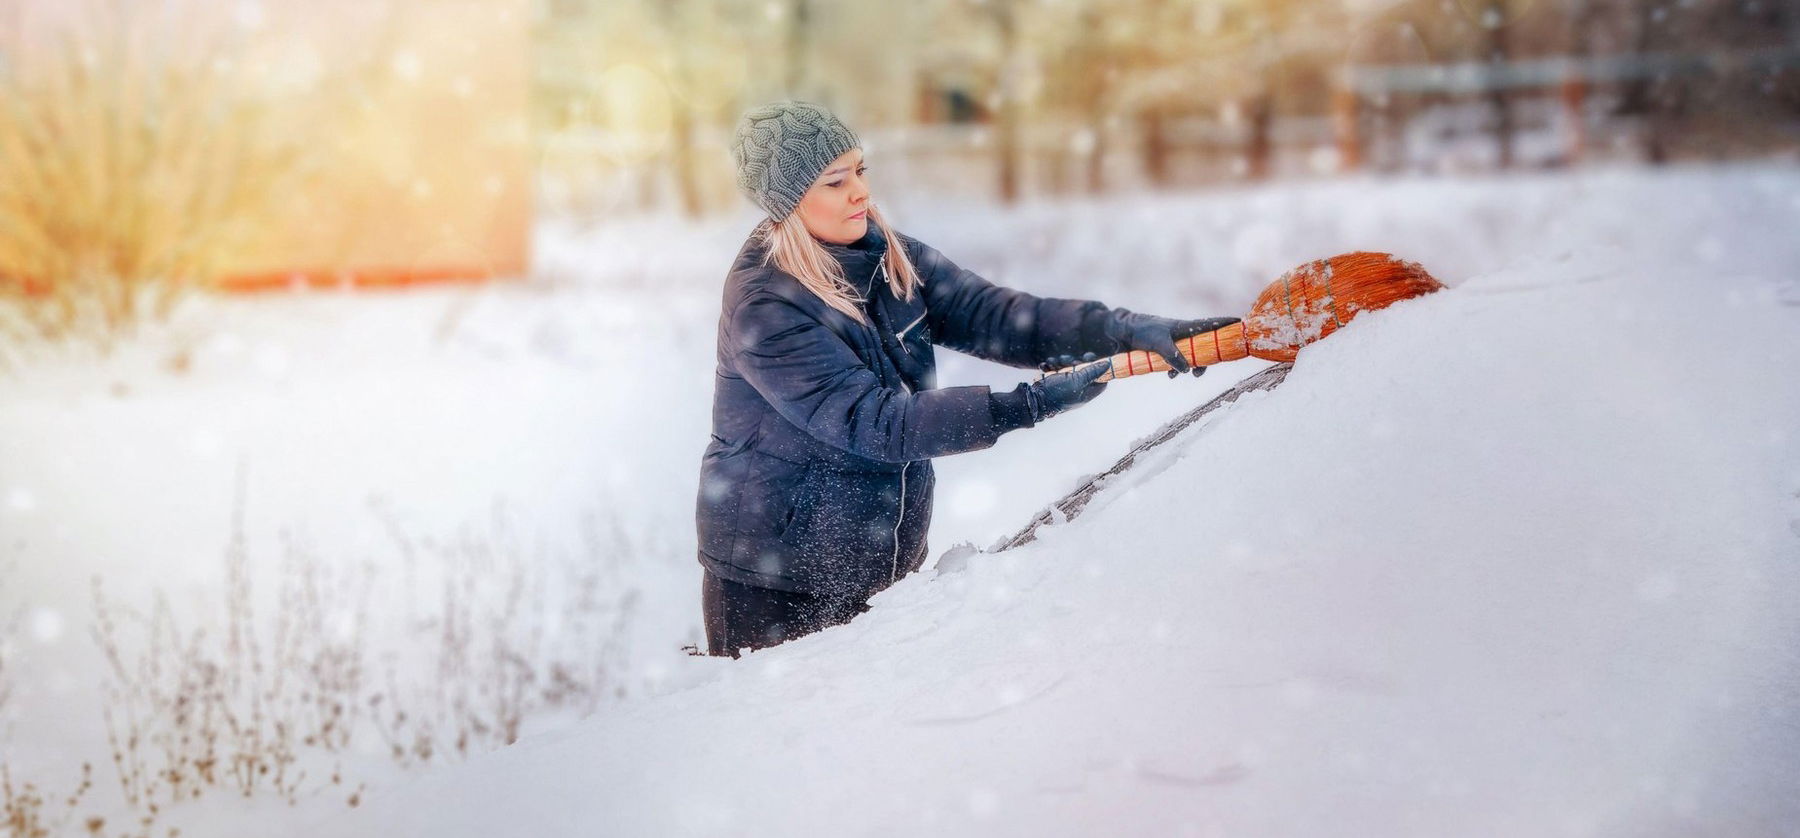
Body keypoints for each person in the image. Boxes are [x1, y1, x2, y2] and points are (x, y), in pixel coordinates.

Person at [697, 101, 1237, 657]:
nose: (861, 192)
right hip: (773, 578)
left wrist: (1126, 330)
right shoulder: (765, 303)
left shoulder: (885, 256)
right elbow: (875, 423)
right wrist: (1029, 405)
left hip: (877, 560)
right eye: (836, 181)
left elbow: (1000, 318)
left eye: (861, 170)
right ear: (788, 202)